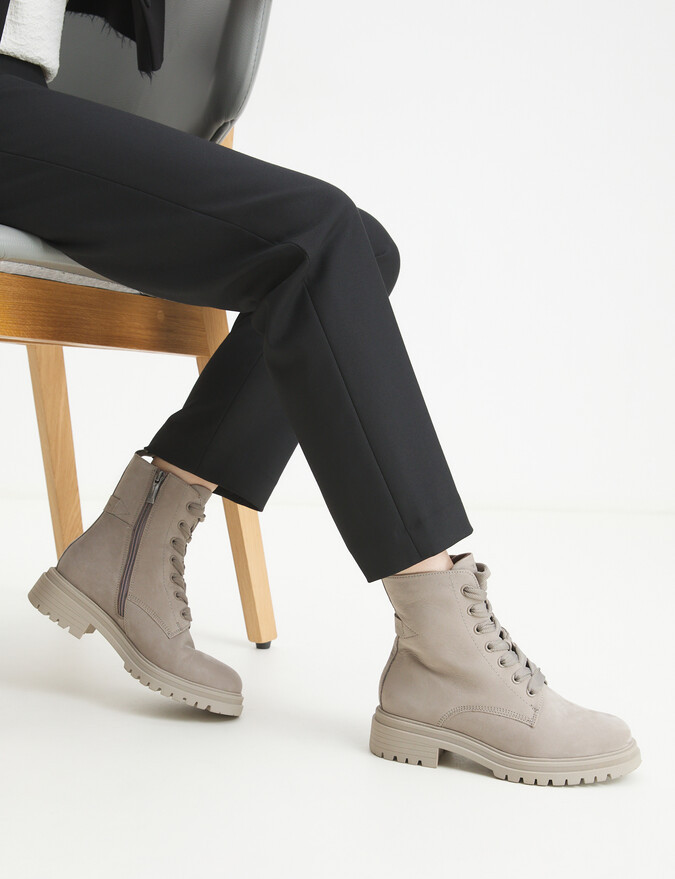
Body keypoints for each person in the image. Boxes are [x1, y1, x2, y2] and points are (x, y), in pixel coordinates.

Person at [0, 1, 640, 785]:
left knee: (358, 249)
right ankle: (444, 651)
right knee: (319, 233)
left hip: (26, 99)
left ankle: (131, 545)